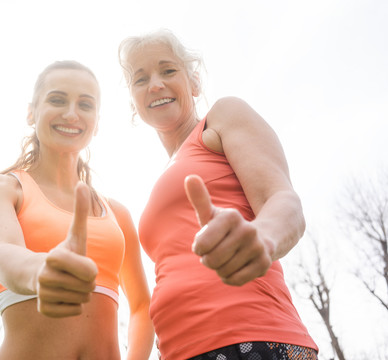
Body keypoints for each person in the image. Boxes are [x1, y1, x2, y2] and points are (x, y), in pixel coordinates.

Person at [118, 29, 318, 360]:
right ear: (134, 101)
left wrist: (262, 237)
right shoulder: (163, 179)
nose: (155, 84)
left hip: (253, 339)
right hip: (180, 350)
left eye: (168, 70)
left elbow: (283, 201)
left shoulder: (221, 119)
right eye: (141, 79)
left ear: (194, 83)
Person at [0, 60, 154, 360]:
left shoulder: (117, 215)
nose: (71, 114)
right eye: (57, 100)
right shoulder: (2, 189)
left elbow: (141, 306)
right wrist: (40, 270)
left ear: (97, 122)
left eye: (85, 104)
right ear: (31, 112)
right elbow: (2, 250)